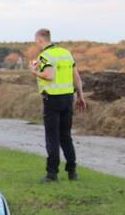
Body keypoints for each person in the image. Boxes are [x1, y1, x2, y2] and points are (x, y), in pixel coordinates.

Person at [29, 28, 87, 183]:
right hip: (68, 98)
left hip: (52, 99)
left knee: (52, 137)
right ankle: (72, 171)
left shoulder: (45, 56)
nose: (36, 44)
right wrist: (80, 96)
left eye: (36, 41)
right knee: (66, 136)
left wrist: (34, 72)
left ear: (41, 40)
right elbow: (76, 76)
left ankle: (52, 174)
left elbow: (49, 76)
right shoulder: (66, 53)